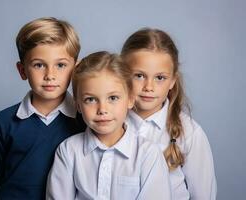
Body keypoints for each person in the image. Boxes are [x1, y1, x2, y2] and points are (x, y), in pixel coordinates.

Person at [46, 51, 171, 200]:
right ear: (78, 105)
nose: (102, 110)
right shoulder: (68, 151)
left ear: (130, 99)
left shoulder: (148, 154)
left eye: (113, 98)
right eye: (91, 100)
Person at [0, 17, 85, 200]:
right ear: (22, 70)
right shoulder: (2, 123)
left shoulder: (86, 120)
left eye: (61, 65)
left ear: (75, 70)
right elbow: (0, 178)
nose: (50, 75)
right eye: (39, 65)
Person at [121, 28, 217, 200]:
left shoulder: (189, 133)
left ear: (172, 80)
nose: (149, 87)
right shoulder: (106, 122)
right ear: (121, 74)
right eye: (139, 76)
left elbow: (203, 195)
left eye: (160, 78)